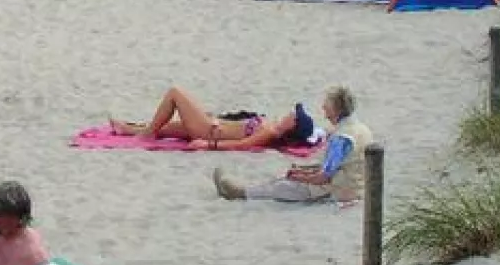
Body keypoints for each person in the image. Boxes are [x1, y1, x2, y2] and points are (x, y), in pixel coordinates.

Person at [212, 86, 373, 204]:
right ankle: (246, 190)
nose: (324, 112)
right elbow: (341, 165)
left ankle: (238, 193)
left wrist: (300, 177)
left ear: (336, 110)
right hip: (356, 187)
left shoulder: (341, 138)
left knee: (283, 186)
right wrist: (305, 171)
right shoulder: (361, 129)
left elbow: (324, 177)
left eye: (327, 108)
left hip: (339, 192)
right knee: (285, 180)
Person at [109, 89, 324, 152]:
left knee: (175, 93)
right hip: (211, 125)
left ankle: (146, 134)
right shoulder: (272, 125)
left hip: (208, 132)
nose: (290, 113)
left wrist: (207, 144)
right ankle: (127, 129)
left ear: (293, 125)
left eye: (294, 115)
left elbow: (243, 144)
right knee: (164, 128)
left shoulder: (271, 133)